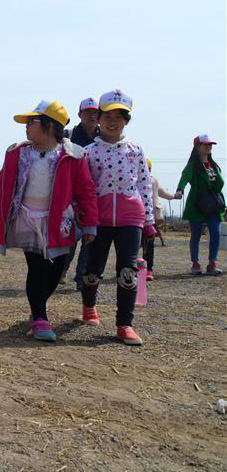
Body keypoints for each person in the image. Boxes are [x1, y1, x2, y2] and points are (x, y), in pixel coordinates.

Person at [0, 100, 98, 342]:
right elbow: (1, 184)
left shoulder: (72, 156)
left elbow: (86, 190)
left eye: (31, 122)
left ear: (49, 126)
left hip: (59, 222)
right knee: (37, 268)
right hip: (27, 219)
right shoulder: (18, 154)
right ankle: (41, 317)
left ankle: (37, 308)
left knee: (56, 271)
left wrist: (91, 223)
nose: (26, 127)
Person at [80, 90, 154, 346]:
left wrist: (149, 220)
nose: (112, 121)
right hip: (99, 220)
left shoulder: (135, 150)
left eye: (119, 117)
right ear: (98, 118)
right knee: (93, 270)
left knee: (128, 270)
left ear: (126, 121)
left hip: (130, 218)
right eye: (107, 116)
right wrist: (84, 218)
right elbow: (84, 188)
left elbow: (144, 184)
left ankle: (125, 324)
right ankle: (89, 305)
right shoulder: (88, 152)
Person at [61, 97, 100, 287]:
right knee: (69, 238)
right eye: (88, 112)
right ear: (79, 115)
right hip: (71, 195)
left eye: (95, 113)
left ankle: (81, 278)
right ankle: (61, 270)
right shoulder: (68, 136)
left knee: (89, 239)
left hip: (95, 195)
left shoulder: (104, 137)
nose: (92, 116)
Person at [174, 134, 224, 275]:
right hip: (197, 205)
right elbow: (185, 177)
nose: (208, 147)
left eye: (210, 145)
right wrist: (180, 189)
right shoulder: (193, 165)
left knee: (215, 232)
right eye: (205, 144)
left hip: (214, 205)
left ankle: (212, 263)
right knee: (196, 235)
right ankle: (195, 263)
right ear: (197, 147)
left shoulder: (214, 165)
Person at [144, 158, 177, 280]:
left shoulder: (153, 180)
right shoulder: (133, 179)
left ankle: (148, 269)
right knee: (138, 244)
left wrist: (174, 196)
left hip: (151, 218)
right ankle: (140, 269)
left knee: (149, 244)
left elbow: (162, 192)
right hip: (135, 217)